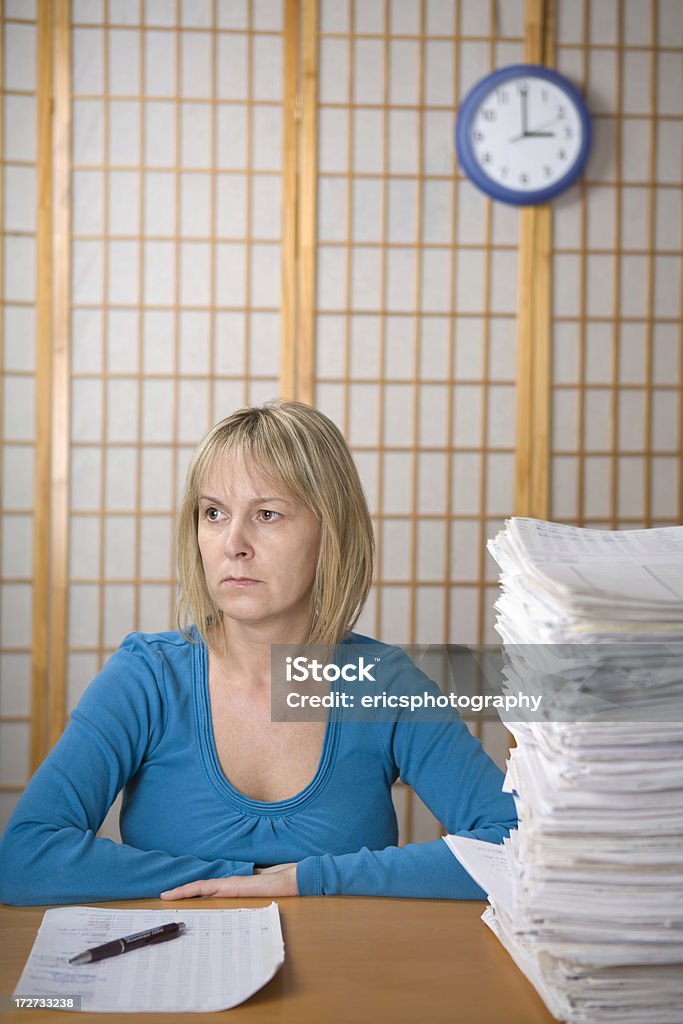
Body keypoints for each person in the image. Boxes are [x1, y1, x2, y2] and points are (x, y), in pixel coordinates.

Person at [0, 401, 516, 905]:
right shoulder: (148, 678)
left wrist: (314, 879)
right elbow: (26, 858)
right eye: (214, 514)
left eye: (267, 514)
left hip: (347, 979)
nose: (233, 543)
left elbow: (517, 847)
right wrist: (238, 879)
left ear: (331, 532)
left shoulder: (381, 683)